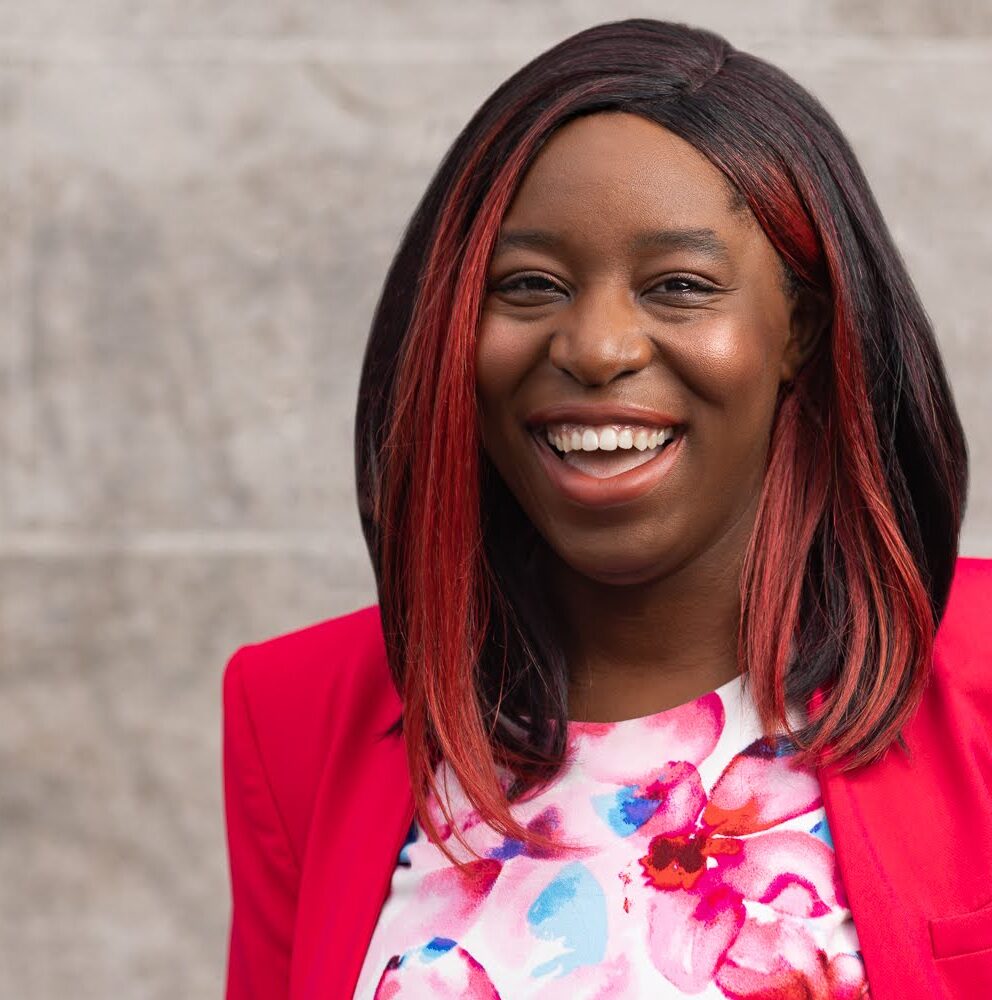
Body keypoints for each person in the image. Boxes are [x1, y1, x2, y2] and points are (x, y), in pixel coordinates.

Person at [220, 18, 992, 1000]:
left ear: (800, 327)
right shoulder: (296, 711)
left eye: (679, 286)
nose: (594, 348)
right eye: (529, 285)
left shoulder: (977, 674)